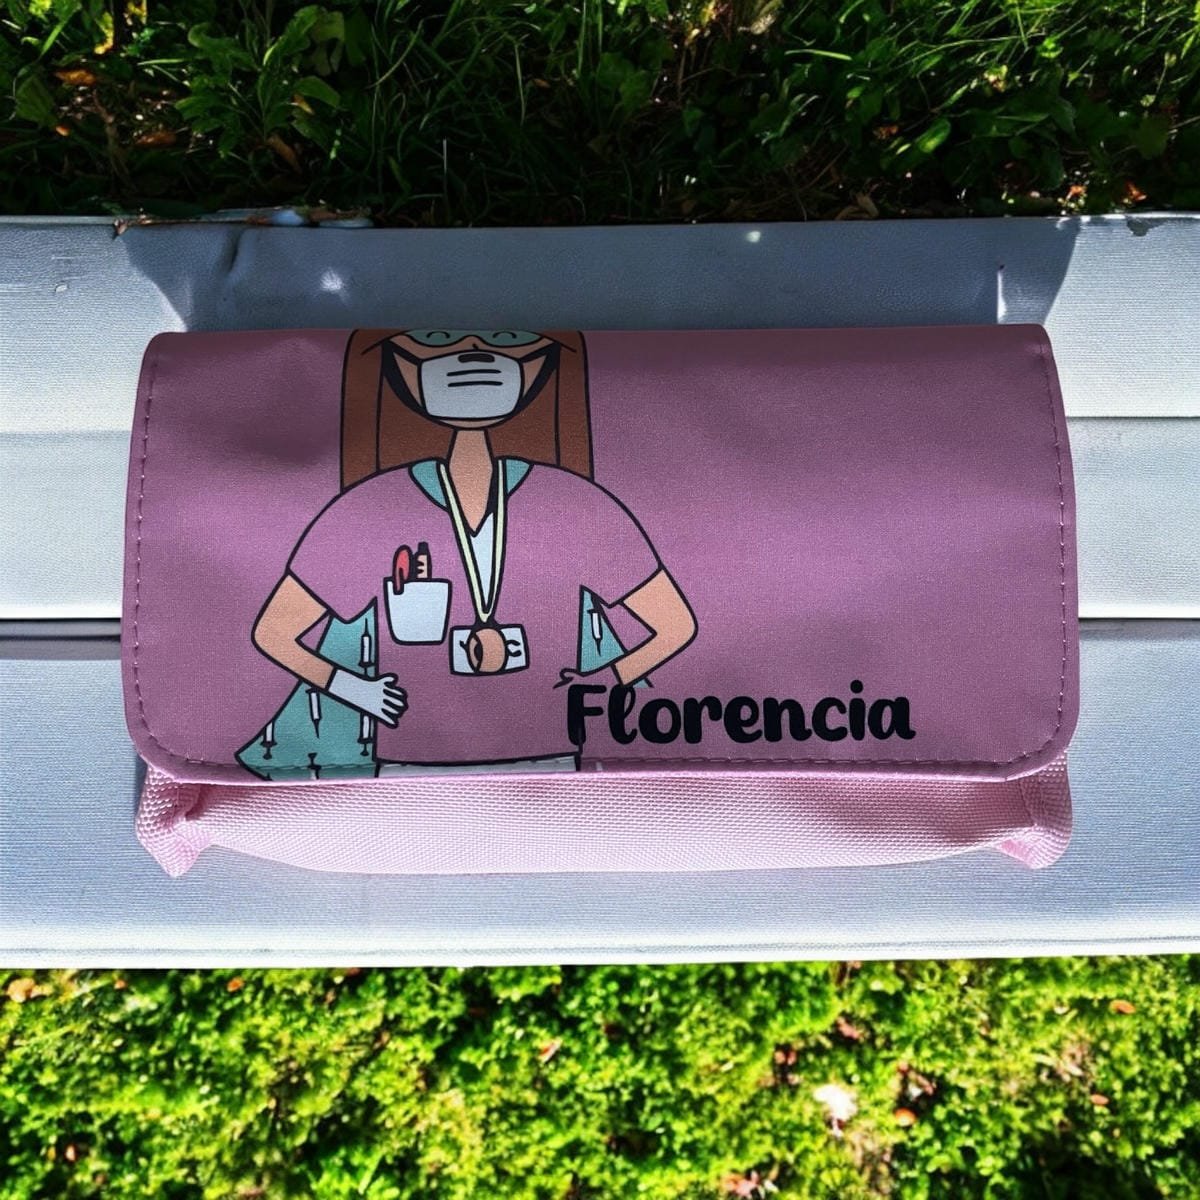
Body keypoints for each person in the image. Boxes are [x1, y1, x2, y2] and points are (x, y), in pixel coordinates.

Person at [249, 329, 695, 774]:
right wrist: (353, 690)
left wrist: (600, 684)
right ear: (403, 372)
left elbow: (674, 625)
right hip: (408, 760)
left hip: (556, 755)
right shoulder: (370, 505)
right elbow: (274, 632)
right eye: (437, 343)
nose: (475, 352)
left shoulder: (576, 502)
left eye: (506, 341)